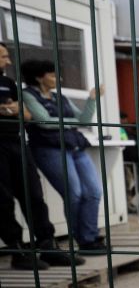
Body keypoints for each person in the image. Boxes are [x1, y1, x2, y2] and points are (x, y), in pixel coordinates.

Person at [0, 44, 81, 268]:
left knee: (33, 194)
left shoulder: (8, 83)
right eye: (4, 56)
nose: (8, 61)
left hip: (16, 141)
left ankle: (47, 246)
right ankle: (17, 251)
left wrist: (12, 109)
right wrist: (9, 109)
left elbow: (27, 114)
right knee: (3, 200)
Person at [21, 59, 107, 251]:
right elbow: (44, 122)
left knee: (94, 191)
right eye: (52, 75)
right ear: (38, 78)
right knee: (74, 194)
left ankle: (89, 236)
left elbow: (83, 120)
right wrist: (70, 122)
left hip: (74, 146)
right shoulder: (27, 95)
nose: (57, 79)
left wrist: (92, 100)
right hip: (50, 149)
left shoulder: (59, 97)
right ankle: (84, 240)